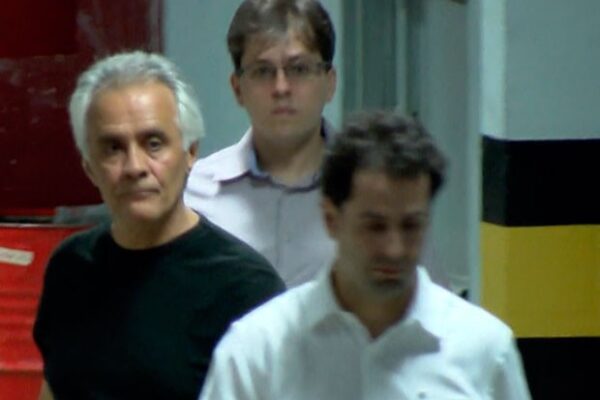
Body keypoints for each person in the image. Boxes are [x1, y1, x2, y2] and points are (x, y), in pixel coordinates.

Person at [199, 111, 531, 400]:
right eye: (375, 227)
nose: (394, 248)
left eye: (411, 226)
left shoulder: (485, 349)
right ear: (331, 219)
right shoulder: (257, 352)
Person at [33, 51, 285, 400]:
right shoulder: (70, 268)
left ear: (190, 152)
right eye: (113, 148)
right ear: (89, 167)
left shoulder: (246, 290)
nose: (135, 167)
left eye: (153, 144)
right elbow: (55, 388)